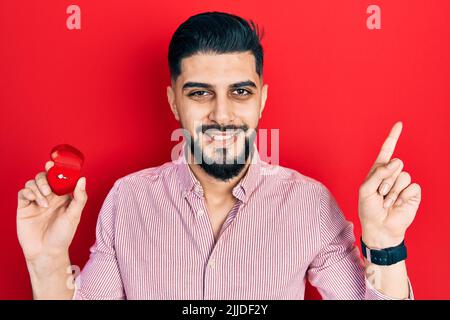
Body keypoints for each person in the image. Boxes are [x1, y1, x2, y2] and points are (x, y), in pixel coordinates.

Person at [17, 11, 421, 300]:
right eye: (199, 93)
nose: (222, 114)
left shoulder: (309, 204)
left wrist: (385, 244)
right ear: (174, 102)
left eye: (240, 92)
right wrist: (48, 260)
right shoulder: (128, 200)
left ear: (261, 100)